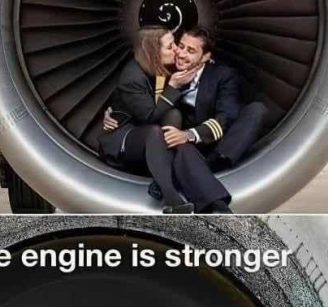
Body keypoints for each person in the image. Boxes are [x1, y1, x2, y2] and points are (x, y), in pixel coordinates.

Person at [104, 26, 269, 214]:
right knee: (175, 122)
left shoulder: (222, 75)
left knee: (257, 110)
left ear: (206, 57)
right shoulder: (163, 69)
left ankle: (203, 169)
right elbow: (133, 95)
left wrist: (190, 134)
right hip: (179, 145)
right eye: (180, 46)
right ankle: (217, 207)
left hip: (207, 142)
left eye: (190, 51)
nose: (180, 53)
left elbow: (226, 117)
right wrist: (112, 114)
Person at [98, 25, 196, 212]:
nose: (176, 49)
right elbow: (148, 116)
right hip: (125, 137)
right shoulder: (132, 77)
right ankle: (173, 201)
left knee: (173, 114)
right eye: (170, 46)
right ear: (152, 52)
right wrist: (173, 86)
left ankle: (160, 180)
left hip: (148, 133)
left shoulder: (160, 66)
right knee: (154, 132)